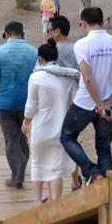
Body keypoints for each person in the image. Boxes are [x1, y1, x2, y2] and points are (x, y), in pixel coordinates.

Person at [60, 7, 112, 184]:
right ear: (102, 22)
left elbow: (88, 78)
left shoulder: (82, 44)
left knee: (67, 136)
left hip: (85, 102)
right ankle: (105, 186)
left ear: (83, 24)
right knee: (104, 148)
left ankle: (91, 171)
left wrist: (98, 103)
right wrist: (109, 101)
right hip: (108, 106)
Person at [23, 40, 79, 205]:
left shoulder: (35, 77)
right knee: (55, 169)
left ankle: (38, 202)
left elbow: (31, 106)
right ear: (57, 56)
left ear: (40, 59)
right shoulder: (69, 77)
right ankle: (55, 204)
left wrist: (26, 124)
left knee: (38, 164)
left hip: (41, 129)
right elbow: (76, 103)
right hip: (60, 130)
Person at [0, 21, 38, 188]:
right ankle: (19, 171)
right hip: (27, 103)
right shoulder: (34, 52)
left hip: (5, 103)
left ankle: (17, 176)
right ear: (23, 34)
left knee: (11, 139)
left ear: (6, 34)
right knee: (22, 138)